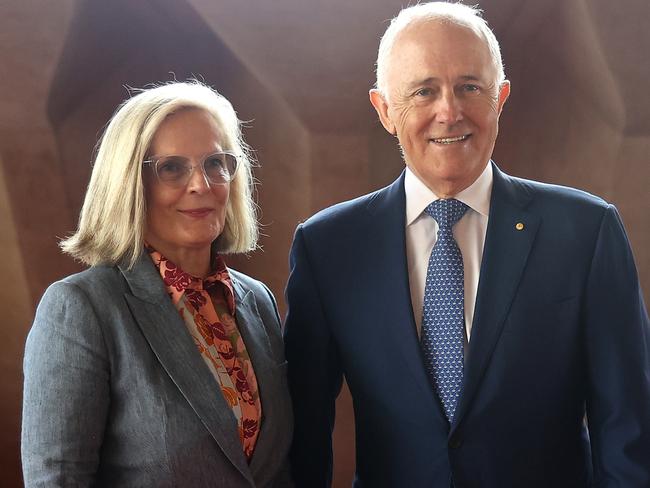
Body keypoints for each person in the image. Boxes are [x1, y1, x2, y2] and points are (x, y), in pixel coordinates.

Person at [284, 3, 650, 487]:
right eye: (424, 91)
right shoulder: (328, 246)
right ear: (386, 110)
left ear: (500, 98)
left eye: (469, 87)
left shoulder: (586, 231)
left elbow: (627, 428)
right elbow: (304, 434)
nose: (449, 111)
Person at [22, 81, 292, 487]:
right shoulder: (81, 308)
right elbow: (57, 478)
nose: (202, 183)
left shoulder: (257, 300)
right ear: (129, 183)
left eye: (216, 163)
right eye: (171, 167)